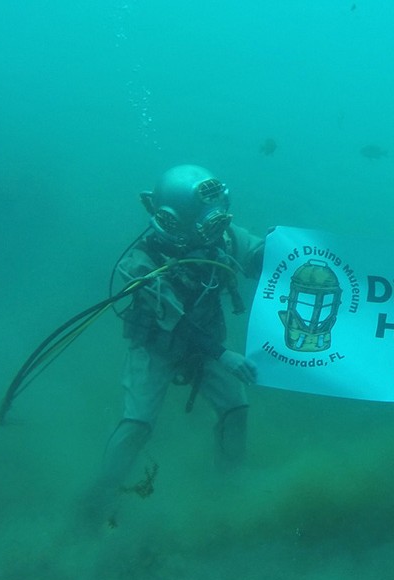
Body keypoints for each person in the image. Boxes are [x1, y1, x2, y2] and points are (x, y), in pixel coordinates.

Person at [83, 164, 265, 526]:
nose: (217, 230)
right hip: (156, 349)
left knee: (235, 409)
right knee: (138, 423)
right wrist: (223, 355)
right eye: (208, 224)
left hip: (209, 345)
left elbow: (258, 258)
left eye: (219, 220)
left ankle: (229, 491)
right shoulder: (140, 264)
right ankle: (98, 500)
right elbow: (174, 322)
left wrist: (288, 249)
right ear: (173, 220)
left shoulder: (223, 237)